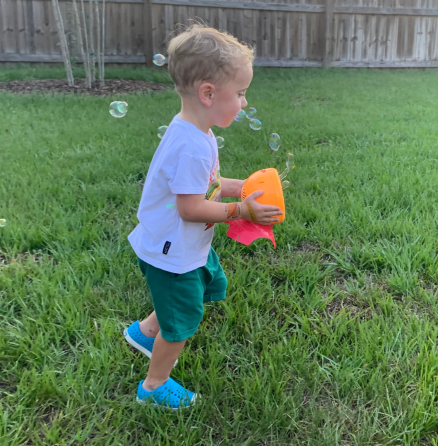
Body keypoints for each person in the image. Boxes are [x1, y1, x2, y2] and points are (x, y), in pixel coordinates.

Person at [122, 24, 283, 409]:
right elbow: (190, 207)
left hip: (179, 245)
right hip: (172, 252)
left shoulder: (197, 132)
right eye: (241, 94)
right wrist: (241, 210)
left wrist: (240, 186)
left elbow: (206, 184)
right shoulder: (192, 145)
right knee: (182, 319)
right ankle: (154, 385)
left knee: (198, 289)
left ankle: (145, 333)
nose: (244, 103)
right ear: (208, 93)